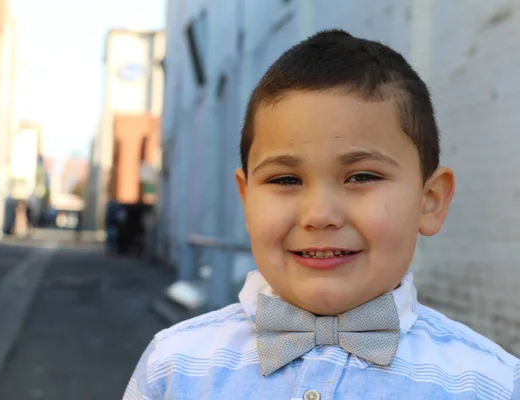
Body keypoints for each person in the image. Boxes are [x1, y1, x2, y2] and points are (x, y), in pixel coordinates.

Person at [123, 30, 520, 399]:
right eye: (285, 179)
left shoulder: (492, 384)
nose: (319, 215)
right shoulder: (173, 368)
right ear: (247, 200)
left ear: (430, 200)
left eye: (361, 176)